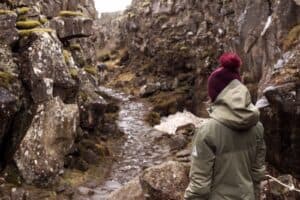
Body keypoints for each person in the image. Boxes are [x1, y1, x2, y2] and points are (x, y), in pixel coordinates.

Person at [184, 53, 266, 200]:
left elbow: (199, 186)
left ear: (216, 96)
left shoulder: (207, 132)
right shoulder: (257, 126)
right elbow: (257, 173)